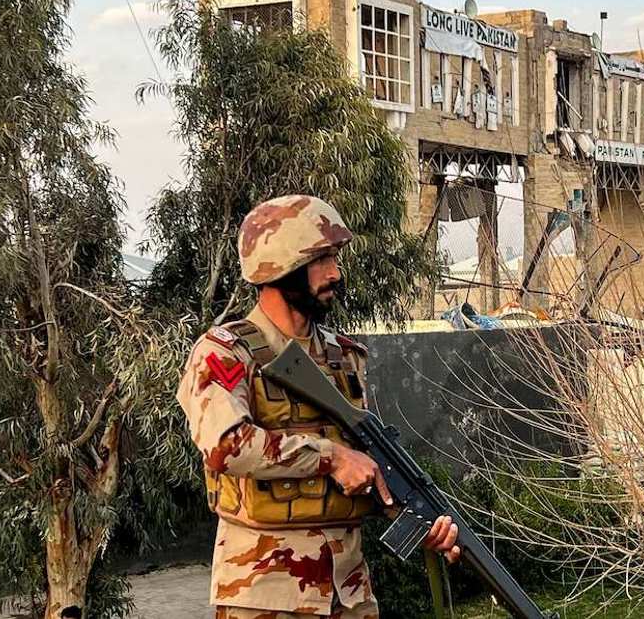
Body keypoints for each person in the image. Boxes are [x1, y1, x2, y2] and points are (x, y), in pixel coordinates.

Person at [177, 195, 460, 619]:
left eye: (335, 259)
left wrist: (417, 517)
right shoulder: (226, 353)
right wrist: (329, 458)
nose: (335, 273)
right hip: (263, 593)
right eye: (322, 260)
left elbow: (366, 463)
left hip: (349, 593)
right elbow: (226, 447)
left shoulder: (344, 357)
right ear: (281, 268)